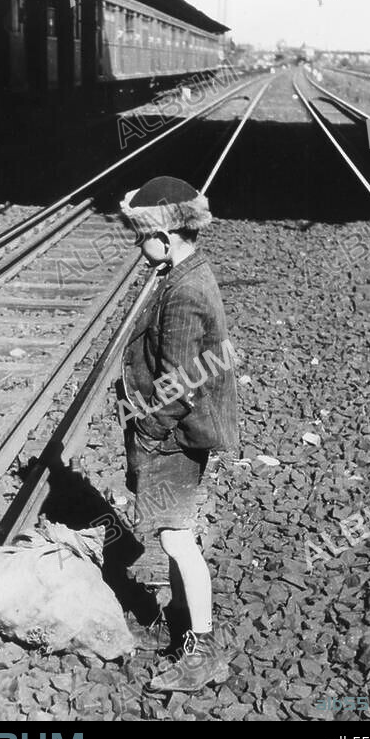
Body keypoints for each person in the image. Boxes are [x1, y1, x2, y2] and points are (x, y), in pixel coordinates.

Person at [118, 176, 238, 692]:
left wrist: (146, 429)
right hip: (177, 431)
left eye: (140, 236)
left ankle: (201, 650)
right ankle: (188, 629)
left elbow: (182, 385)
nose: (136, 245)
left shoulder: (184, 291)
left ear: (165, 237)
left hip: (174, 434)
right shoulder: (186, 271)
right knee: (174, 535)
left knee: (176, 537)